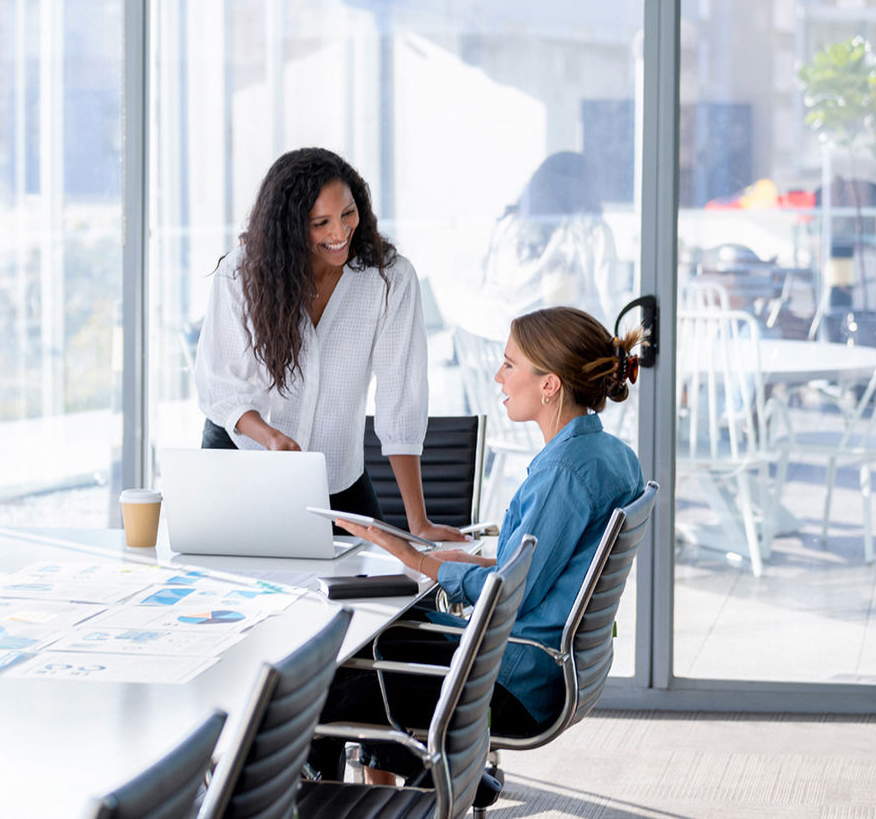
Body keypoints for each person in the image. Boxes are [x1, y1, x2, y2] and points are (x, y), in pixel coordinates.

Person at [311, 306, 645, 780]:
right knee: (385, 638)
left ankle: (427, 782)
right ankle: (447, 777)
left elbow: (512, 594)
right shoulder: (612, 455)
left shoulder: (562, 474)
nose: (497, 376)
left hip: (509, 680)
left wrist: (419, 561)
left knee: (324, 685)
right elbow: (546, 566)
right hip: (539, 664)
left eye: (509, 364)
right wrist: (469, 563)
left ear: (549, 385)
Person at [193, 147, 460, 540]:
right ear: (289, 226)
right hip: (242, 459)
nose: (339, 233)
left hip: (336, 475)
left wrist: (418, 522)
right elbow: (220, 384)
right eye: (320, 223)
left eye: (347, 213)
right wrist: (270, 438)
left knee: (372, 572)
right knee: (234, 577)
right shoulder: (241, 274)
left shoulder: (389, 280)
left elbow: (401, 399)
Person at [479, 151, 620, 328]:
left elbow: (491, 292)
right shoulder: (590, 232)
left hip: (505, 335)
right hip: (557, 337)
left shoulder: (509, 227)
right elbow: (608, 300)